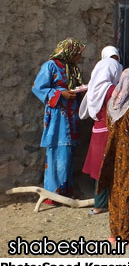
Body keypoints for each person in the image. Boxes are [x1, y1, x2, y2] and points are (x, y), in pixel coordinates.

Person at [98, 68, 129, 245]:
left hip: (113, 153)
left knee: (114, 190)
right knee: (128, 191)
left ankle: (114, 232)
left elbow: (108, 126)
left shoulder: (112, 104)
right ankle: (128, 235)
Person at [32, 38, 86, 202]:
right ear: (69, 52)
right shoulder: (50, 66)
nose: (79, 57)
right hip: (58, 117)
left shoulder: (72, 68)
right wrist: (60, 94)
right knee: (57, 151)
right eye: (77, 54)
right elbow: (38, 88)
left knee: (68, 153)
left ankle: (66, 191)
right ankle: (52, 195)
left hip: (71, 116)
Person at [80, 46, 123, 215]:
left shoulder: (93, 89)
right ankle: (109, 202)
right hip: (110, 133)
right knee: (111, 167)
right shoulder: (111, 90)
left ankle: (99, 203)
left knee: (99, 168)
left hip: (97, 131)